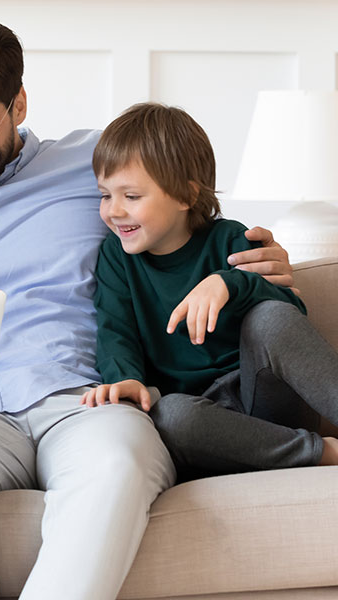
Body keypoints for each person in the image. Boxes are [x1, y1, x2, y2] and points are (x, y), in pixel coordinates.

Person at [0, 20, 296, 600]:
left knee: (120, 459)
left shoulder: (93, 166)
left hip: (87, 402)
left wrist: (256, 259)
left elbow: (190, 217)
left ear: (18, 103)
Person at [82, 102, 338, 482]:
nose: (114, 211)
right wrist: (127, 379)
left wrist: (228, 282)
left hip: (261, 399)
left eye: (131, 196)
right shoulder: (116, 258)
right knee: (170, 416)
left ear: (185, 196)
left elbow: (290, 313)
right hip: (202, 423)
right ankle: (321, 454)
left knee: (271, 316)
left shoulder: (232, 239)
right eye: (106, 195)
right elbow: (115, 331)